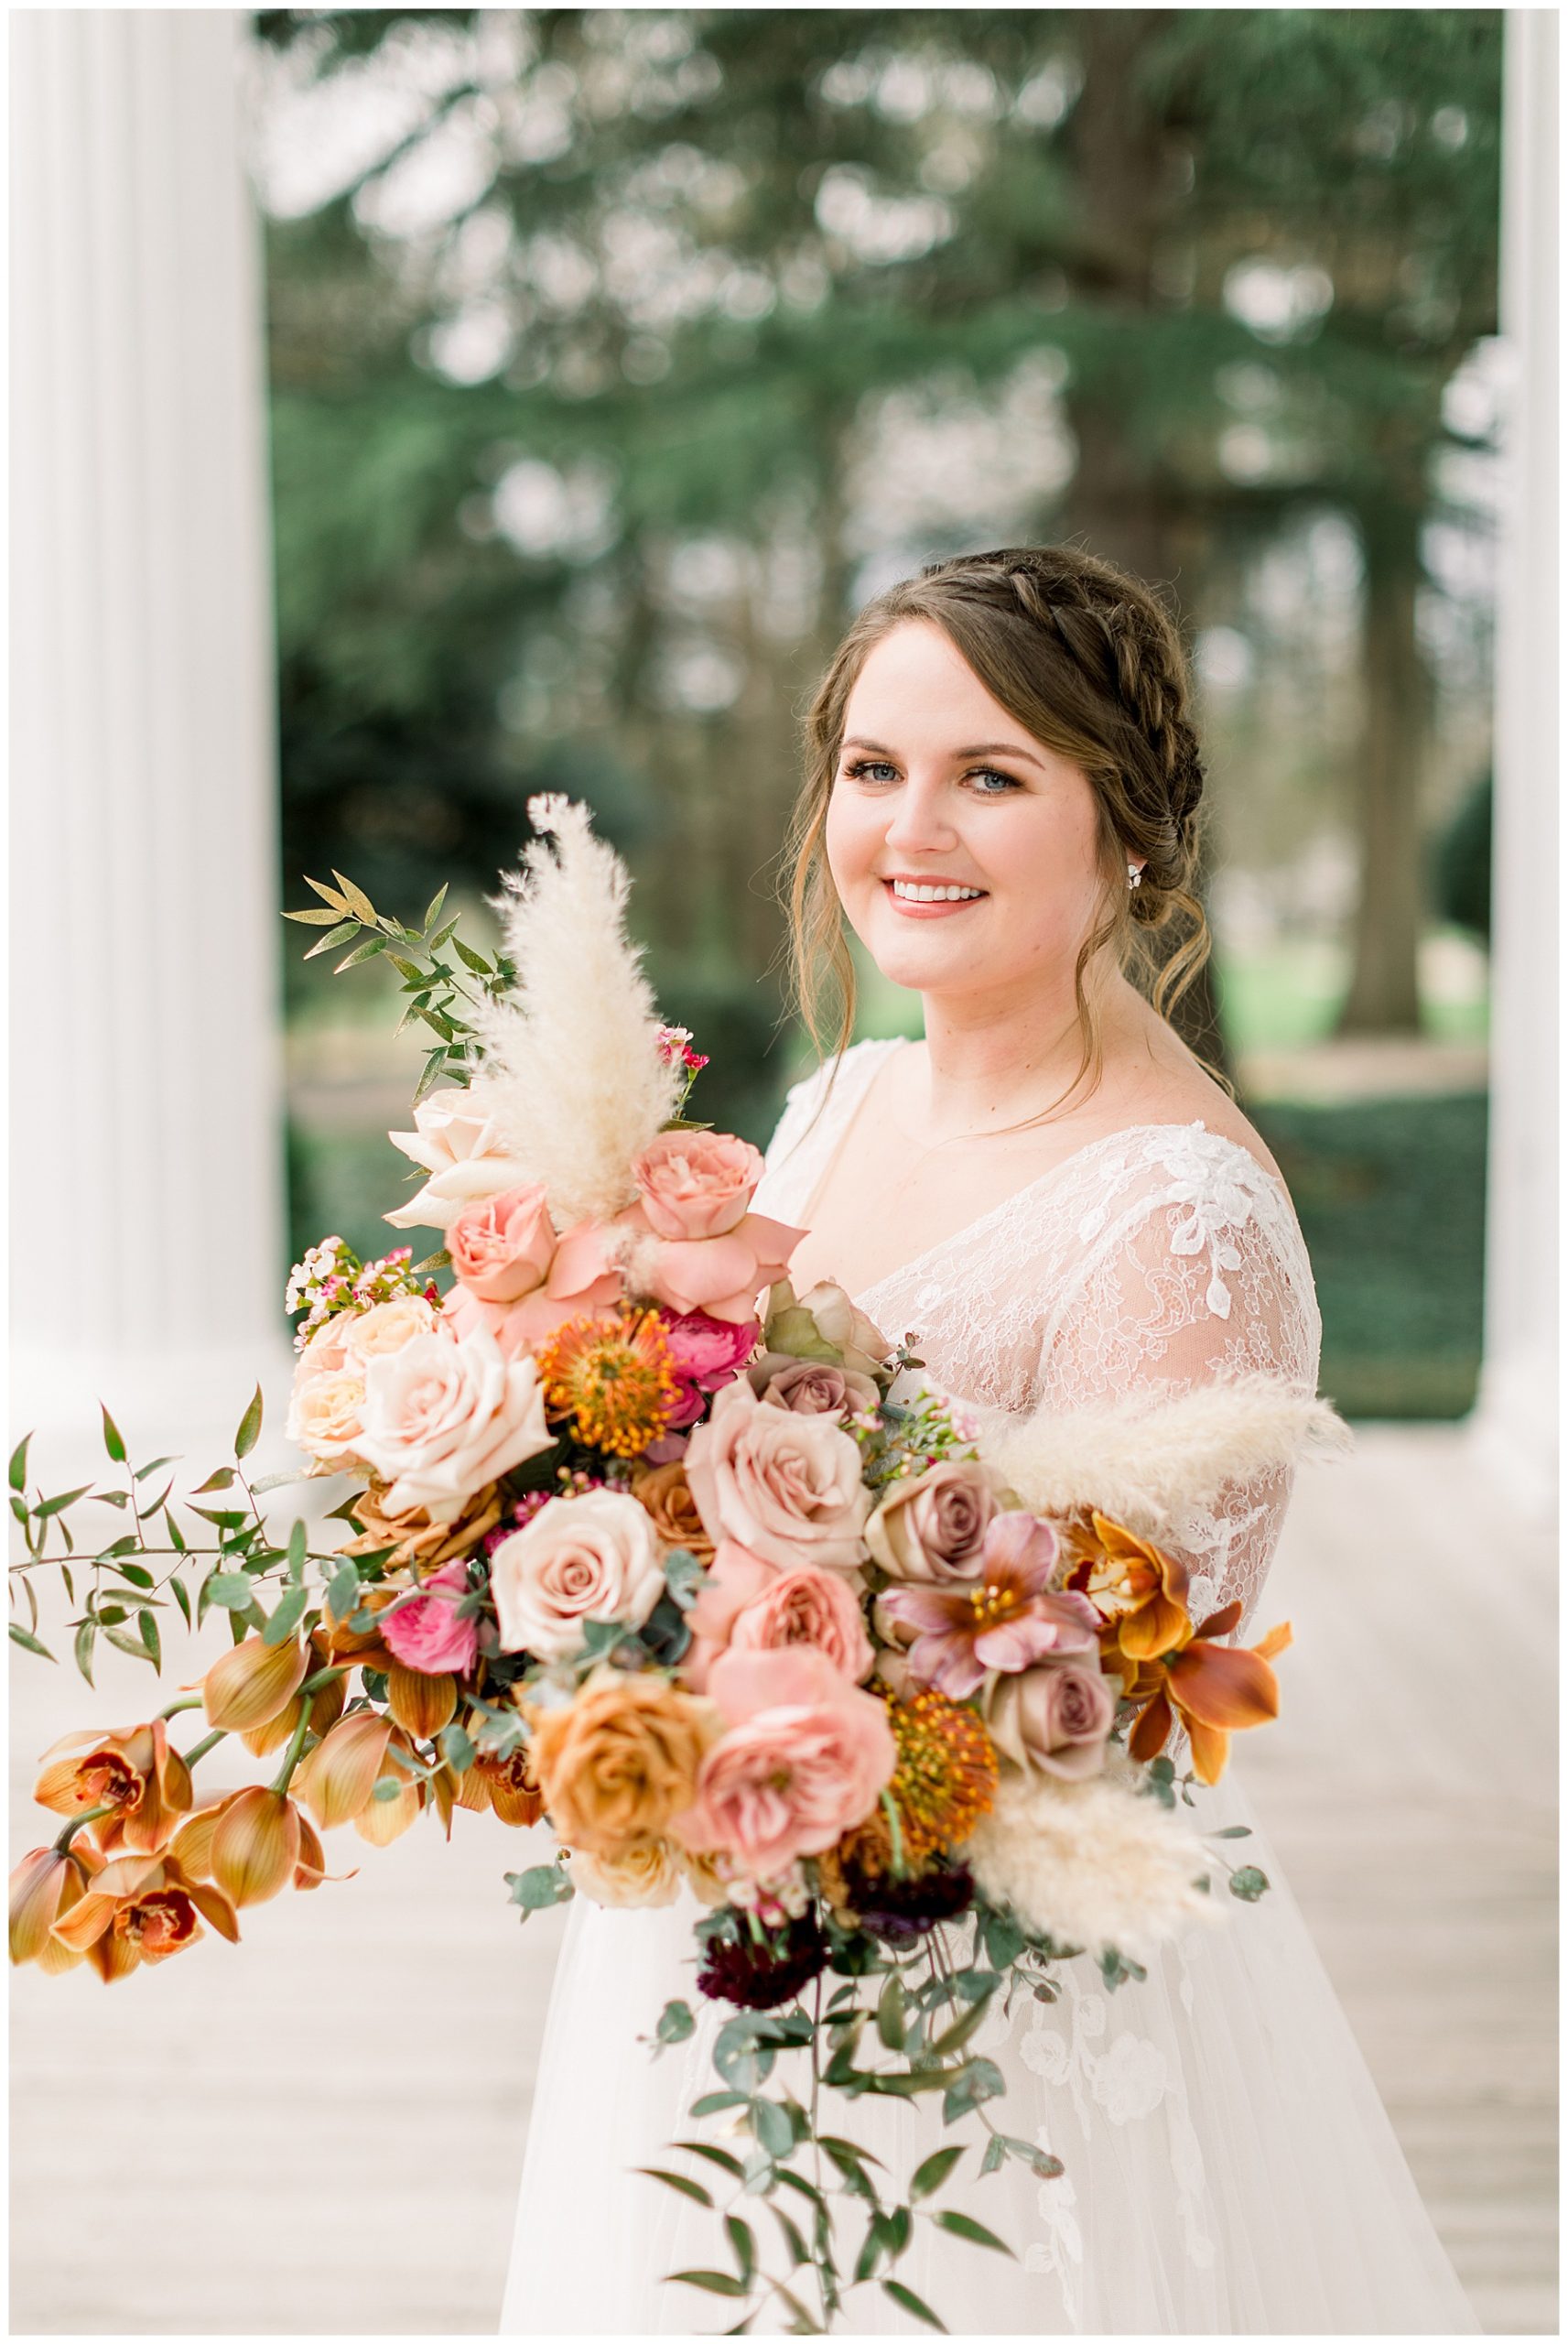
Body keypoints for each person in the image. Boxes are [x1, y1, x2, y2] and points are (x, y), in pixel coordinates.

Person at [500, 546, 1476, 2334]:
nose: (910, 825)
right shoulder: (838, 1095)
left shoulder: (1175, 1208)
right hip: (727, 1910)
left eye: (990, 773)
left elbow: (1104, 1703)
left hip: (986, 2025)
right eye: (873, 767)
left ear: (1124, 831)